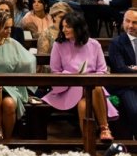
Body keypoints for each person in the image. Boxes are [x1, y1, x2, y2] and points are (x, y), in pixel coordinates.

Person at [42, 12, 117, 142]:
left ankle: (89, 143)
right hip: (68, 87)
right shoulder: (58, 45)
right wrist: (73, 75)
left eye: (68, 27)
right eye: (63, 27)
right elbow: (55, 72)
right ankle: (104, 129)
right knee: (94, 88)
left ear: (78, 28)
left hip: (92, 87)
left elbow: (102, 71)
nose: (64, 30)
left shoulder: (94, 45)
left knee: (85, 104)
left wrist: (88, 78)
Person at [0, 11, 37, 141]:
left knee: (9, 104)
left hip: (10, 86)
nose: (9, 31)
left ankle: (6, 142)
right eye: (5, 28)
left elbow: (30, 60)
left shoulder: (12, 43)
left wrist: (19, 77)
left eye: (10, 27)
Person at [107, 8, 137, 139]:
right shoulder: (116, 43)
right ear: (123, 22)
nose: (130, 26)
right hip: (125, 86)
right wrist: (130, 69)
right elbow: (120, 69)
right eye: (127, 21)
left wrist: (133, 68)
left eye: (135, 22)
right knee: (135, 110)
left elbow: (127, 68)